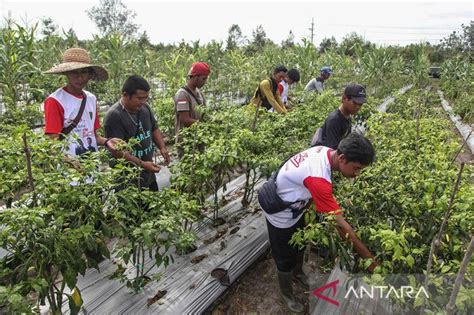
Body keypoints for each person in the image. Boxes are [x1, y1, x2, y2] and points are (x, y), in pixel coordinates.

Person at [258, 133, 378, 313]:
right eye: (356, 168)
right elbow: (340, 225)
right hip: (280, 213)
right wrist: (370, 262)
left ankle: (297, 273)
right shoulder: (319, 178)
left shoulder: (326, 152)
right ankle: (286, 292)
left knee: (299, 243)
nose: (356, 174)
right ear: (343, 158)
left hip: (297, 206)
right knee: (284, 255)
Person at [44, 47, 120, 156]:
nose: (79, 77)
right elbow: (52, 144)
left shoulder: (91, 99)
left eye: (84, 72)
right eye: (74, 72)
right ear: (66, 73)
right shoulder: (55, 101)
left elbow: (93, 136)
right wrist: (69, 161)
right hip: (69, 170)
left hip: (92, 166)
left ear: (90, 75)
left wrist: (107, 141)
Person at [104, 75, 170, 191]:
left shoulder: (145, 108)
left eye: (146, 98)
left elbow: (154, 128)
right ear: (125, 95)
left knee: (152, 207)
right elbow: (118, 152)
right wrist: (143, 164)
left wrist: (162, 147)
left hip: (148, 175)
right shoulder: (114, 116)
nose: (143, 102)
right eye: (139, 98)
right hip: (128, 180)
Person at [311, 83, 367, 149]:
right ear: (344, 98)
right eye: (354, 103)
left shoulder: (347, 117)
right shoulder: (335, 120)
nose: (357, 107)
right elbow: (333, 150)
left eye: (360, 104)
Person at [174, 62, 211, 157]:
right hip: (186, 143)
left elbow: (204, 115)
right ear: (195, 76)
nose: (205, 82)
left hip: (199, 139)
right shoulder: (182, 94)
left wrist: (213, 121)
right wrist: (206, 126)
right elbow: (185, 120)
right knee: (189, 169)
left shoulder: (200, 94)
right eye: (203, 78)